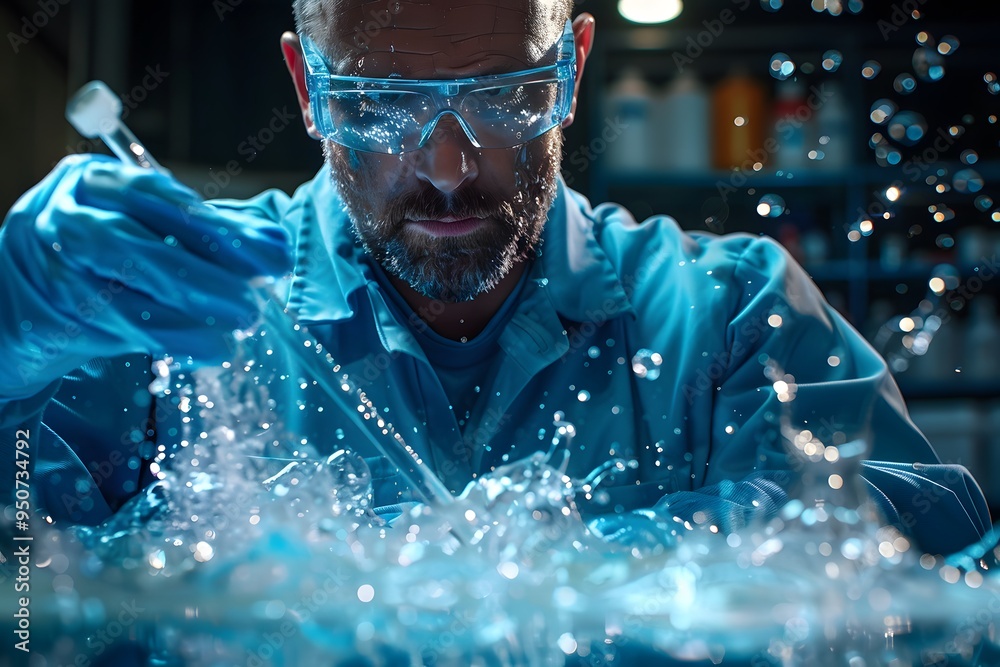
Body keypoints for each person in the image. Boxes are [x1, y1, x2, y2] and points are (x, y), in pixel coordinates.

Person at [0, 0, 991, 558]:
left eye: (508, 94)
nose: (443, 165)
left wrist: (515, 568)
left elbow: (927, 550)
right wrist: (12, 355)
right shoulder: (156, 309)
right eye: (383, 105)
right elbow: (29, 596)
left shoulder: (731, 313)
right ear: (308, 89)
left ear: (573, 63)